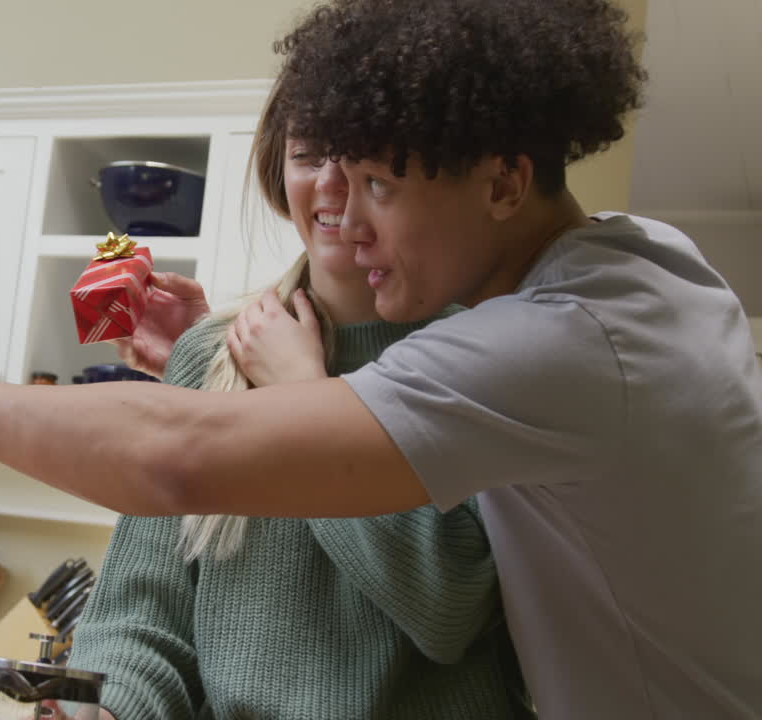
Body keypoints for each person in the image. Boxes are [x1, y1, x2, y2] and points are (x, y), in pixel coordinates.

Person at [0, 0, 762, 716]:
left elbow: (175, 456)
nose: (345, 206)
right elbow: (143, 612)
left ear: (505, 183)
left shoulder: (541, 343)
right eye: (323, 161)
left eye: (379, 180)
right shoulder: (641, 262)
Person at [60, 78, 529, 719]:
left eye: (365, 154)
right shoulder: (212, 356)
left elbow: (450, 609)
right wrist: (108, 708)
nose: (333, 183)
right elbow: (140, 615)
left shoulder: (480, 358)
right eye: (309, 154)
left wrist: (305, 396)